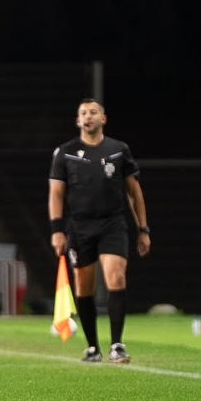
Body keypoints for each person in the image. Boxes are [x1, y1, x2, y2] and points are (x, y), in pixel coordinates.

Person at [49, 97, 151, 364]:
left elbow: (134, 192)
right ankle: (93, 347)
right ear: (77, 120)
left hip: (112, 223)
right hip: (79, 226)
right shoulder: (65, 152)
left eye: (94, 112)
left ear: (103, 118)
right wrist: (57, 230)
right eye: (83, 112)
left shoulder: (118, 150)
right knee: (84, 286)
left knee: (116, 276)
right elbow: (56, 194)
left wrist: (143, 228)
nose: (88, 116)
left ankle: (117, 344)